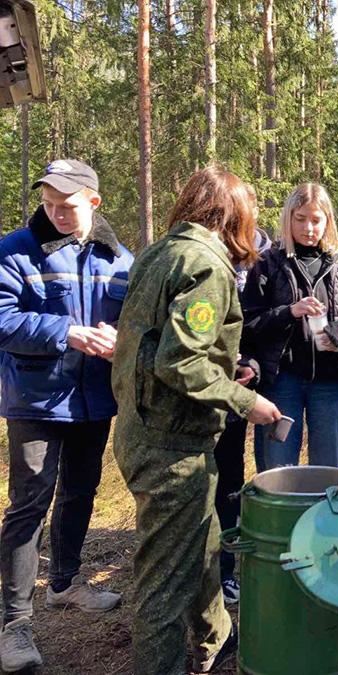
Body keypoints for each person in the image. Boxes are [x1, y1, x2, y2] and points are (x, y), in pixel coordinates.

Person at [111, 166, 281, 675]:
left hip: (151, 429)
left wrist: (232, 372)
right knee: (164, 578)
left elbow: (162, 346)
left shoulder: (161, 252)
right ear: (234, 216)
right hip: (170, 446)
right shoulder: (205, 264)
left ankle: (215, 638)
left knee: (204, 541)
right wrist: (247, 402)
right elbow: (179, 362)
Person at [0, 159, 131, 673]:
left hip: (94, 399)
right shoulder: (14, 250)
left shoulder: (120, 259)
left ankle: (65, 584)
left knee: (81, 491)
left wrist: (123, 339)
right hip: (34, 399)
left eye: (67, 205)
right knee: (29, 504)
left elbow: (134, 319)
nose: (55, 213)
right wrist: (68, 332)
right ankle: (14, 624)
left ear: (93, 203)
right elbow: (3, 319)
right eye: (49, 204)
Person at [243, 182, 338, 472]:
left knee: (328, 470)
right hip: (282, 381)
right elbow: (248, 322)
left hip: (330, 381)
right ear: (288, 219)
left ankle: (322, 519)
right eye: (301, 219)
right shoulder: (268, 264)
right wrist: (290, 312)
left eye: (316, 220)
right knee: (278, 468)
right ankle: (282, 518)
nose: (308, 228)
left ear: (327, 222)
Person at [212, 204, 272, 605]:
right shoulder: (202, 252)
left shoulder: (266, 253)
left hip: (238, 383)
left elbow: (254, 320)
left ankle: (227, 570)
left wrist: (248, 362)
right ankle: (207, 574)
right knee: (207, 480)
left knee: (231, 477)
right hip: (200, 385)